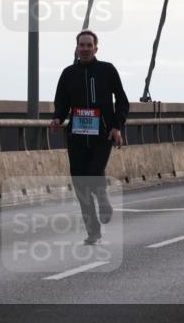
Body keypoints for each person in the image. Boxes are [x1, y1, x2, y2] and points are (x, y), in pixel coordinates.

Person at [50, 31, 129, 244]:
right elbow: (61, 102)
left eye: (88, 45)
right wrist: (57, 118)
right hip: (76, 136)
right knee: (80, 184)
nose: (84, 49)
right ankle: (93, 232)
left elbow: (122, 101)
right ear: (76, 48)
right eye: (81, 45)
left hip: (102, 134)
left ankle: (103, 199)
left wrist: (116, 126)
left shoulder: (107, 70)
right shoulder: (68, 73)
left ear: (96, 48)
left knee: (94, 173)